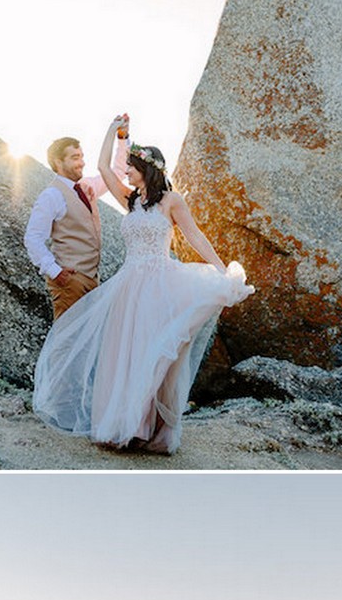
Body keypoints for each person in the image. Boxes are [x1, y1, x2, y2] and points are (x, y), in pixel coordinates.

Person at [33, 115, 253, 455]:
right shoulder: (131, 200)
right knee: (125, 355)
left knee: (154, 355)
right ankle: (124, 425)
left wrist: (222, 269)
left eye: (132, 168)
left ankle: (147, 427)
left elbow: (194, 237)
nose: (127, 173)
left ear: (146, 169)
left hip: (159, 284)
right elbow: (107, 168)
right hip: (128, 287)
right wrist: (112, 131)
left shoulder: (172, 202)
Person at [24, 125, 131, 323]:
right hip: (69, 281)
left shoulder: (87, 187)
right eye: (75, 158)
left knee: (84, 344)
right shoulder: (51, 195)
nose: (81, 163)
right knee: (66, 343)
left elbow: (116, 173)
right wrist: (56, 272)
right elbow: (33, 238)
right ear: (58, 162)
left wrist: (122, 138)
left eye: (81, 156)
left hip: (92, 280)